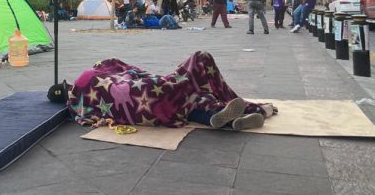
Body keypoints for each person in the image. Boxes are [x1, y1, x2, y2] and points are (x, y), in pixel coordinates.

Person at [48, 51, 276, 130]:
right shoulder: (88, 75)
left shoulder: (78, 109)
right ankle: (251, 107)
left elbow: (93, 120)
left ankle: (221, 119)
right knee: (201, 59)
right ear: (67, 85)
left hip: (148, 113)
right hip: (148, 90)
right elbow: (120, 65)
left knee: (187, 102)